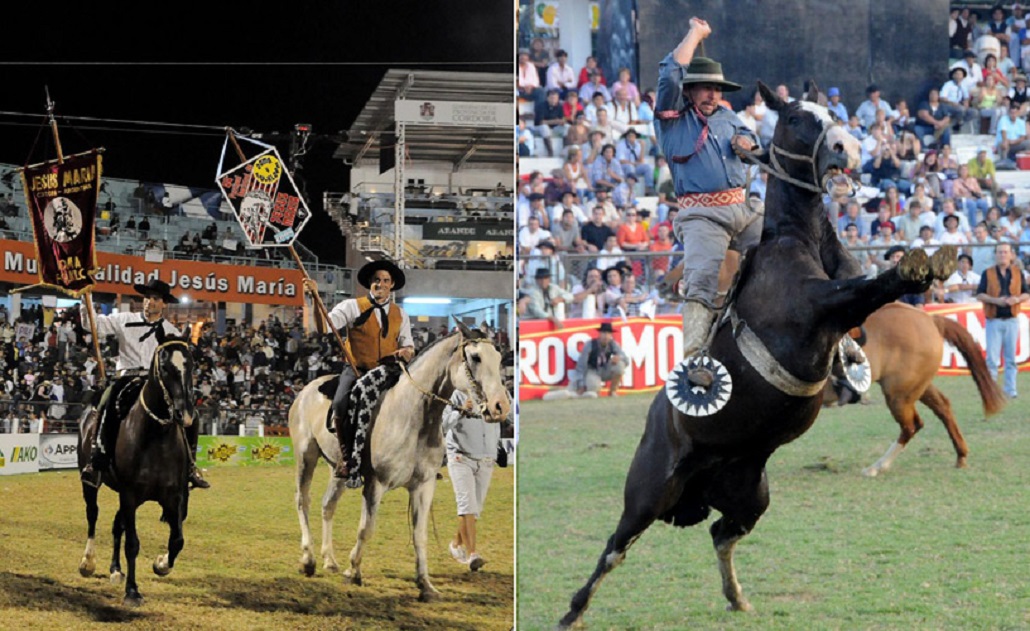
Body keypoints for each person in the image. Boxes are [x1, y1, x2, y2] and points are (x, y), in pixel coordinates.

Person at [656, 17, 759, 387]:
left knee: (784, 247)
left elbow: (752, 144)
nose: (712, 95)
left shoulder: (730, 118)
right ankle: (695, 360)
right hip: (701, 213)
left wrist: (749, 146)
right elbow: (669, 75)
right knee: (700, 277)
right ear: (688, 91)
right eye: (703, 88)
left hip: (745, 209)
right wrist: (695, 35)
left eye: (716, 88)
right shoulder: (671, 120)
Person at [79, 279, 209, 490]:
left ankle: (190, 467)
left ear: (164, 303)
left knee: (190, 414)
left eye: (155, 299)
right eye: (147, 297)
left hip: (157, 383)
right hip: (126, 378)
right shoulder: (123, 319)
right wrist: (86, 299)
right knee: (105, 403)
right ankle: (96, 461)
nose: (150, 302)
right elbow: (92, 325)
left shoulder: (171, 331)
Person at [316, 260, 414, 480]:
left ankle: (417, 455)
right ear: (370, 283)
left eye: (386, 280)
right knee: (341, 402)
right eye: (377, 280)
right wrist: (315, 300)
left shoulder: (401, 314)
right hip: (357, 367)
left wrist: (406, 352)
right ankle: (346, 457)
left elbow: (408, 345)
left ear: (392, 285)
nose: (381, 284)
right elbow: (324, 326)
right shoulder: (351, 306)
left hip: (388, 371)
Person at [442, 388, 500, 572]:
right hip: (460, 457)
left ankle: (456, 544)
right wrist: (459, 411)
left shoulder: (495, 389)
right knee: (466, 506)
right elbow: (442, 425)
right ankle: (472, 554)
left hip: (485, 458)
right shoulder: (454, 393)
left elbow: (510, 415)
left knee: (474, 510)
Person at [976, 243, 1029, 399]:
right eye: (1000, 252)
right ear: (995, 255)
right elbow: (979, 294)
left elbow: (1026, 294)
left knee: (1010, 358)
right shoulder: (987, 273)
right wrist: (995, 301)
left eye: (1005, 252)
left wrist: (1016, 299)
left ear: (1011, 254)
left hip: (1012, 319)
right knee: (992, 359)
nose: (1002, 255)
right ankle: (992, 391)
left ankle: (1010, 389)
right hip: (994, 318)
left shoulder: (1018, 273)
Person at [571, 322, 628, 397]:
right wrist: (581, 384)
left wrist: (619, 357)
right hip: (592, 370)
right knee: (593, 389)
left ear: (611, 335)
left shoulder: (613, 344)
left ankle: (613, 391)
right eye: (604, 333)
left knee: (620, 366)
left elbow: (626, 360)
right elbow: (581, 365)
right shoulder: (590, 344)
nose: (606, 336)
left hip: (605, 369)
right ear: (599, 334)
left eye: (608, 333)